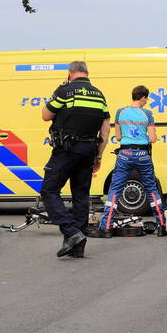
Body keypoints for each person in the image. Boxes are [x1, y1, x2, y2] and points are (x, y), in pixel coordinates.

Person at [41, 61, 110, 259]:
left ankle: (71, 232)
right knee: (81, 195)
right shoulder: (99, 95)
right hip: (89, 150)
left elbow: (46, 115)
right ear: (87, 73)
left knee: (49, 190)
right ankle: (78, 246)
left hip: (67, 149)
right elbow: (105, 129)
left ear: (70, 73)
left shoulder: (65, 90)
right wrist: (98, 155)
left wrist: (60, 87)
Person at [88, 85, 167, 238]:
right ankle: (162, 226)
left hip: (124, 154)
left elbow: (118, 137)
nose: (147, 101)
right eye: (147, 98)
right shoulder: (147, 114)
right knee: (152, 189)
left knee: (115, 190)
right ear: (143, 97)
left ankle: (105, 227)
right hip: (143, 155)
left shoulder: (120, 112)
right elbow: (153, 139)